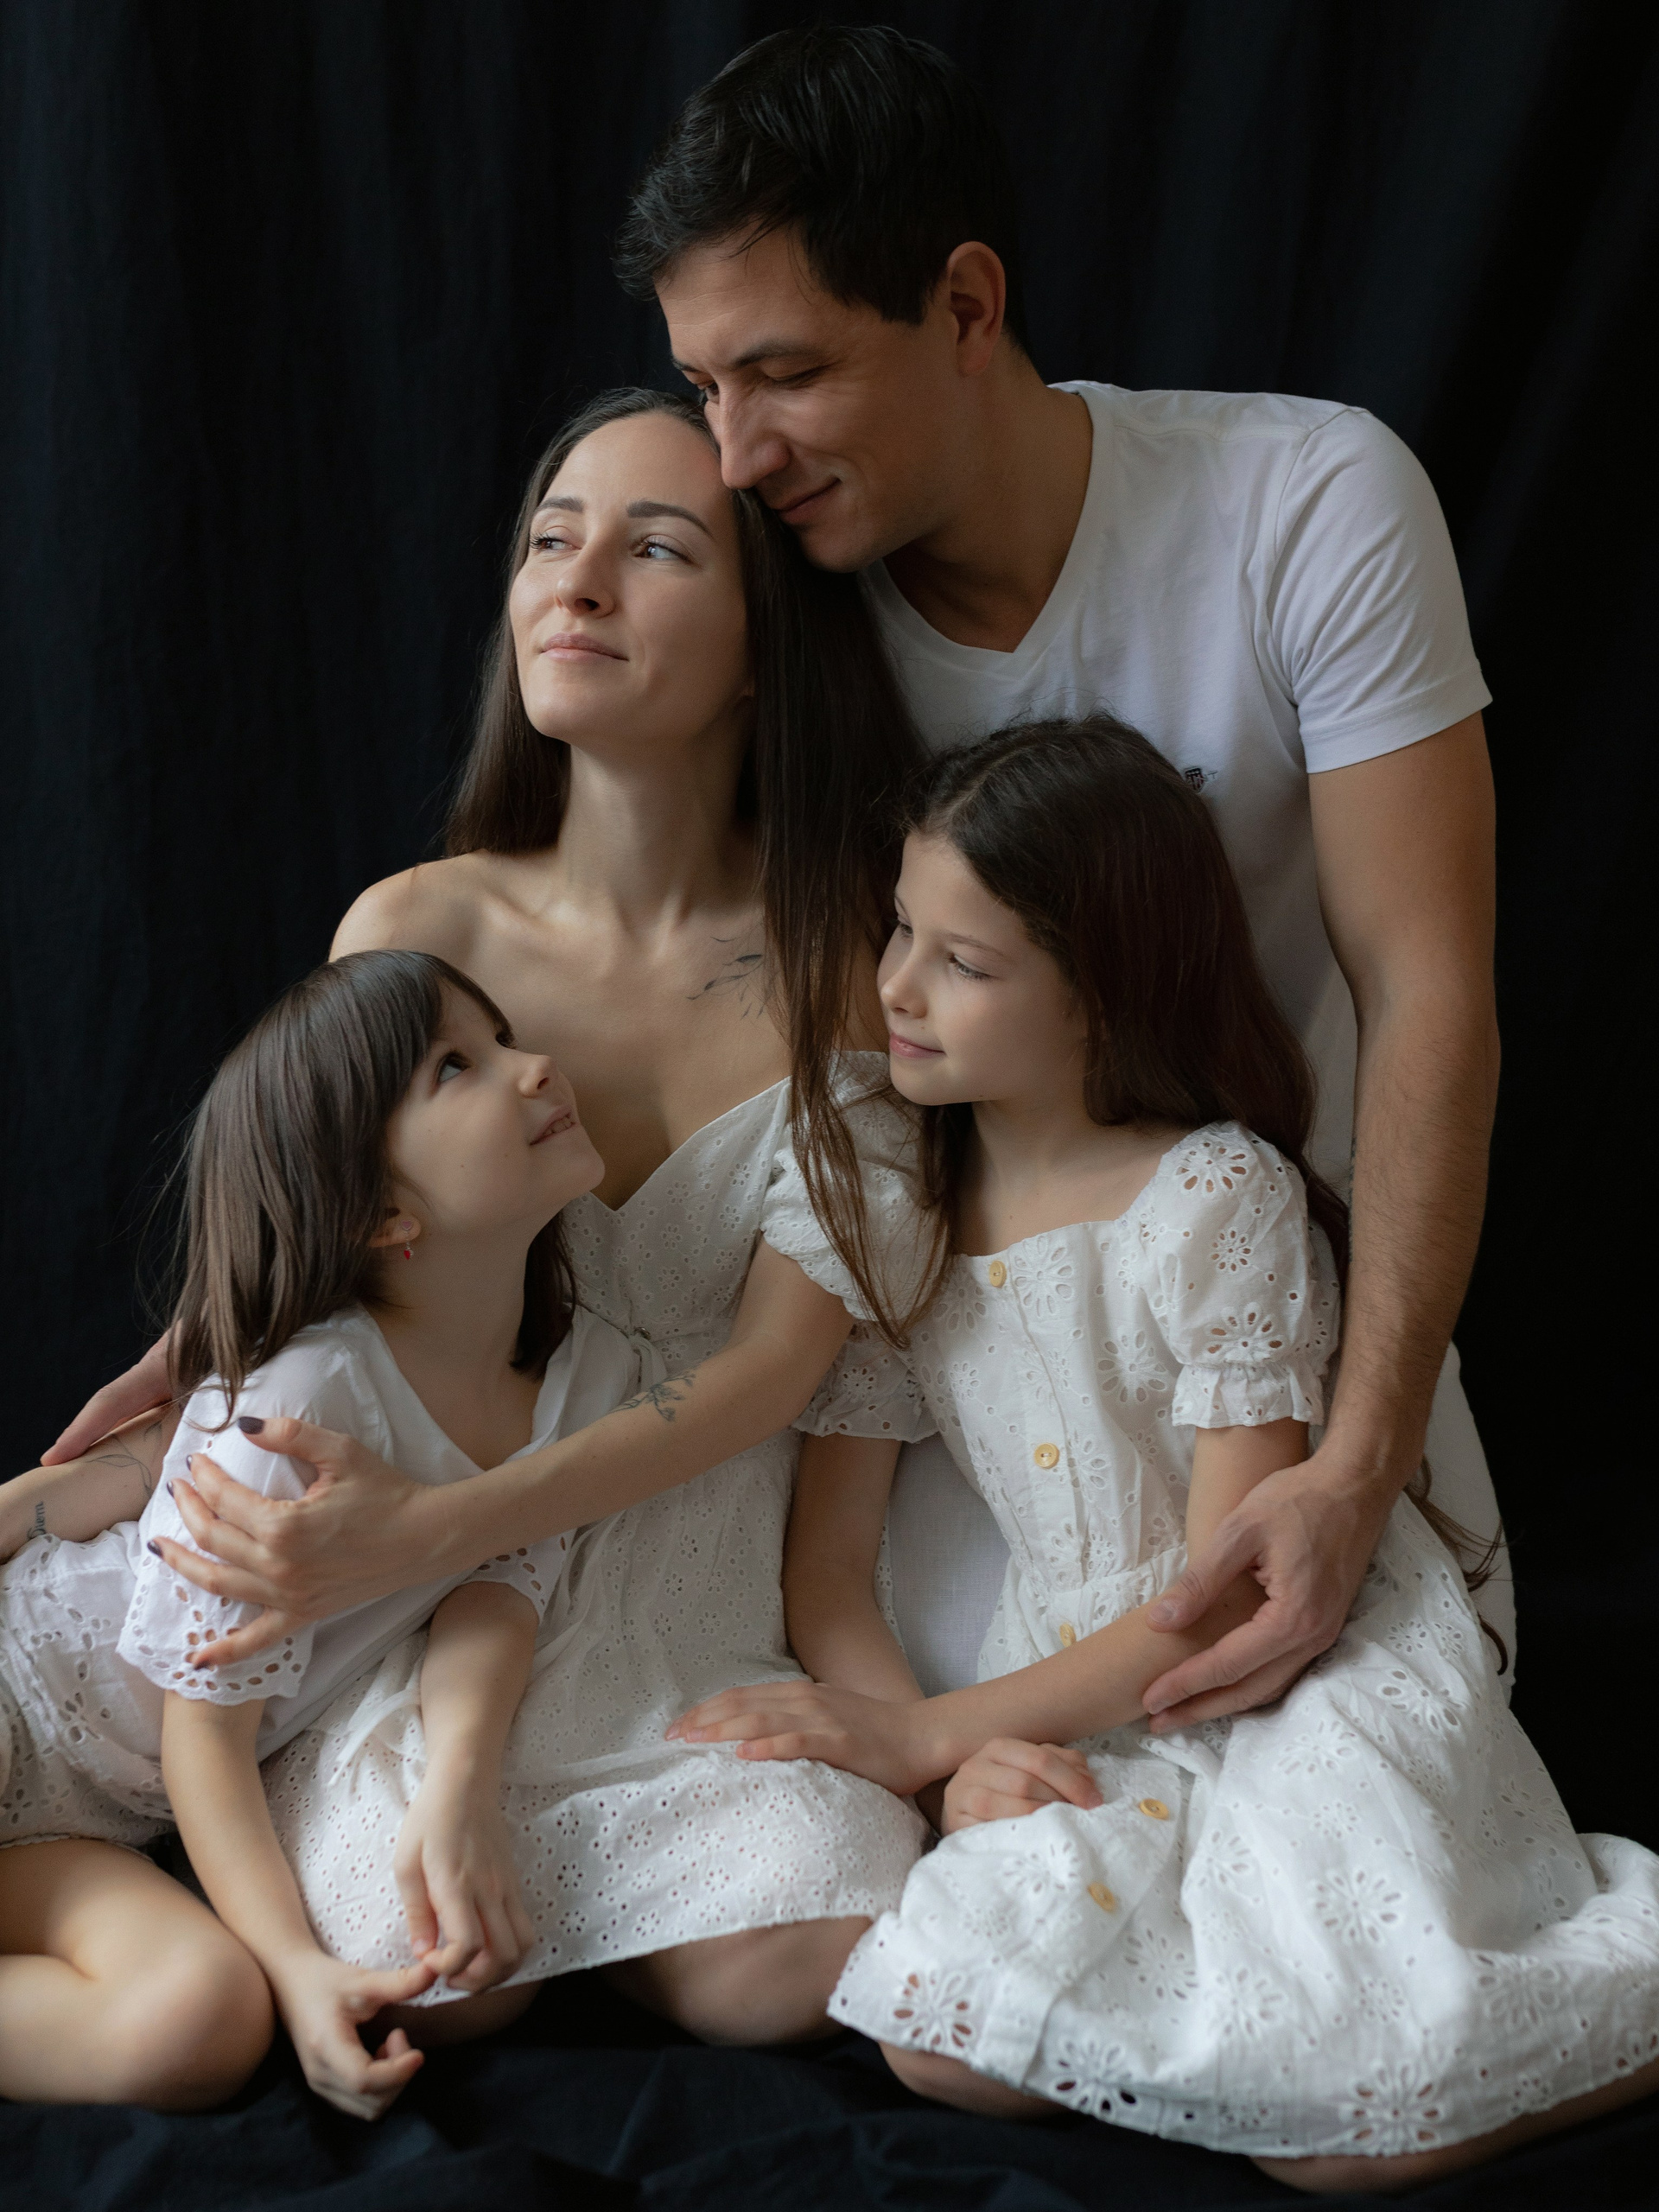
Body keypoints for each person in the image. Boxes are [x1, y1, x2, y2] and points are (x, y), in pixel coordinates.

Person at [608, 22, 1510, 1714]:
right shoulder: (775, 613)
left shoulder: (1308, 502)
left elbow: (1428, 990)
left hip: (1267, 1355)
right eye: (705, 387)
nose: (733, 456)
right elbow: (585, 918)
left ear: (965, 305)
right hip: (935, 1393)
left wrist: (1357, 1464)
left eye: (785, 373)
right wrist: (301, 1251)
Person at [21, 387, 928, 2044]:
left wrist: (444, 1525)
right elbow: (315, 1253)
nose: (574, 583)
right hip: (407, 1617)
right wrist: (130, 1433)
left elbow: (768, 1375)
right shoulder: (419, 928)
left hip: (653, 1569)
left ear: (764, 648)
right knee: (434, 1984)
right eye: (549, 540)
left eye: (656, 550)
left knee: (798, 1970)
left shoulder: (846, 963)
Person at [673, 720, 1659, 2193]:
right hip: (1065, 1696)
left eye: (964, 962)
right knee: (938, 2032)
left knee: (1348, 2130)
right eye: (899, 929)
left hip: (1274, 1682)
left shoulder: (1213, 1197)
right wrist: (942, 1764)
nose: (896, 987)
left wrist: (925, 1739)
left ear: (1103, 992)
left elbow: (1227, 1599)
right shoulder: (903, 1214)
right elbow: (829, 1566)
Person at [2, 948, 642, 2116]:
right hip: (17, 1699)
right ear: (379, 1212)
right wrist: (298, 1968)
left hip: (75, 1819)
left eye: (503, 1039)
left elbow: (500, 1591)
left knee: (199, 2021)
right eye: (459, 1065)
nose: (537, 1066)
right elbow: (205, 1731)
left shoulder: (588, 1377)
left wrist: (460, 1787)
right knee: (255, 1994)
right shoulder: (309, 1399)